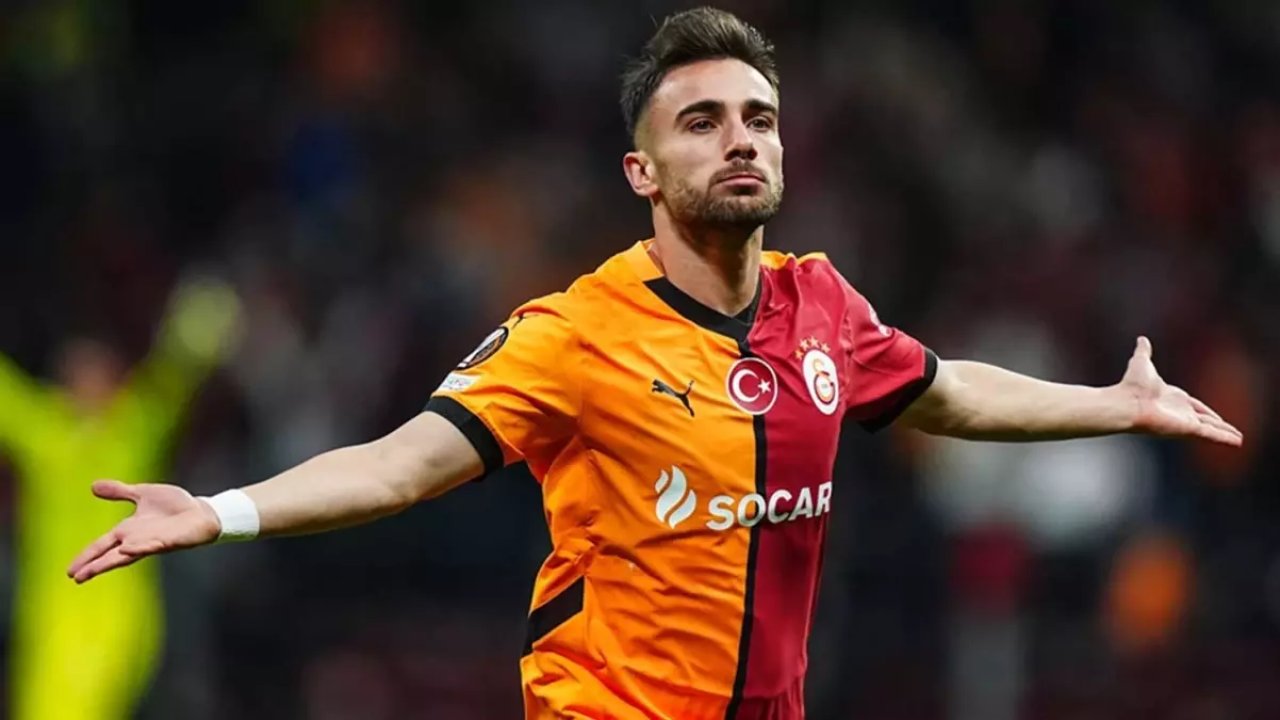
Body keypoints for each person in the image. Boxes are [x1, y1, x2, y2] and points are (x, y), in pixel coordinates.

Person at [67, 8, 1242, 719]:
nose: (739, 139)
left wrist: (1115, 403)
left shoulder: (820, 304)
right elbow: (400, 464)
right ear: (640, 174)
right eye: (701, 120)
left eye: (758, 118)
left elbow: (946, 391)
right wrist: (219, 512)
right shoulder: (574, 332)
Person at [5, 275, 240, 720]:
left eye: (96, 371)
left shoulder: (129, 433)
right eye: (76, 372)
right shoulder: (47, 435)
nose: (86, 382)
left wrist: (203, 316)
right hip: (51, 615)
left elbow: (173, 376)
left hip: (117, 619)